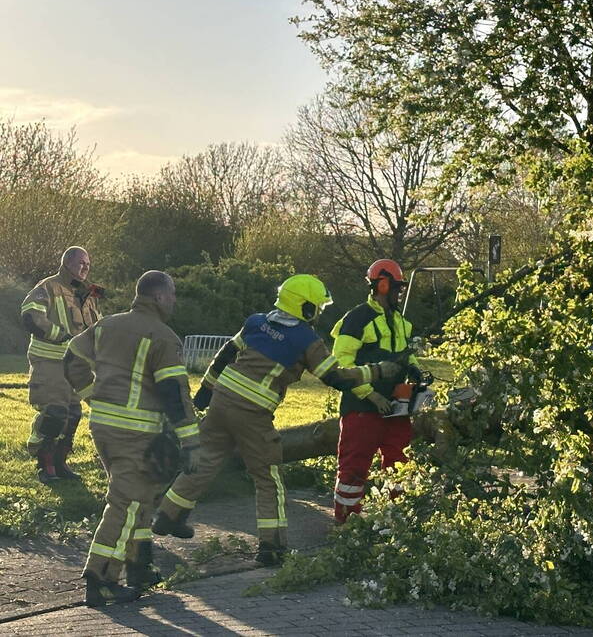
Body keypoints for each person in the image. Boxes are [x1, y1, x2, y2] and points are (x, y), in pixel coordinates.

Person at [151, 274, 401, 566]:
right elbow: (335, 376)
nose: (319, 313)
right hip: (253, 413)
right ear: (305, 308)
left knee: (204, 462)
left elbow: (226, 354)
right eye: (317, 307)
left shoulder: (257, 321)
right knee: (268, 478)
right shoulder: (307, 339)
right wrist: (379, 371)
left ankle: (167, 516)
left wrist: (205, 392)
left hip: (222, 401)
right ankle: (272, 548)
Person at [63, 270, 201, 607]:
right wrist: (190, 441)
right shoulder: (164, 337)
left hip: (104, 428)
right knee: (125, 505)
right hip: (136, 434)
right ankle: (100, 578)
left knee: (137, 499)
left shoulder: (108, 324)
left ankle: (139, 567)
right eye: (172, 295)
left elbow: (71, 358)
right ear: (157, 297)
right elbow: (174, 393)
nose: (174, 301)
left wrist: (92, 396)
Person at [332, 259, 421, 524]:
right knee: (354, 468)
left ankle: (397, 521)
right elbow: (342, 364)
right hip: (362, 408)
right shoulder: (357, 318)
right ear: (383, 285)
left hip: (397, 406)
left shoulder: (400, 321)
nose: (400, 293)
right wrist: (371, 395)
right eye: (397, 287)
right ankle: (347, 524)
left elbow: (405, 355)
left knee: (399, 465)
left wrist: (416, 371)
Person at [21, 246, 102, 483]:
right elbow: (30, 316)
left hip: (75, 366)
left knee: (73, 414)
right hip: (49, 361)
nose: (85, 267)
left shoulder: (89, 293)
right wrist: (60, 335)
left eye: (88, 263)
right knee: (55, 413)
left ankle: (59, 463)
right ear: (66, 263)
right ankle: (44, 465)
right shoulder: (48, 287)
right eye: (80, 263)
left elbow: (97, 325)